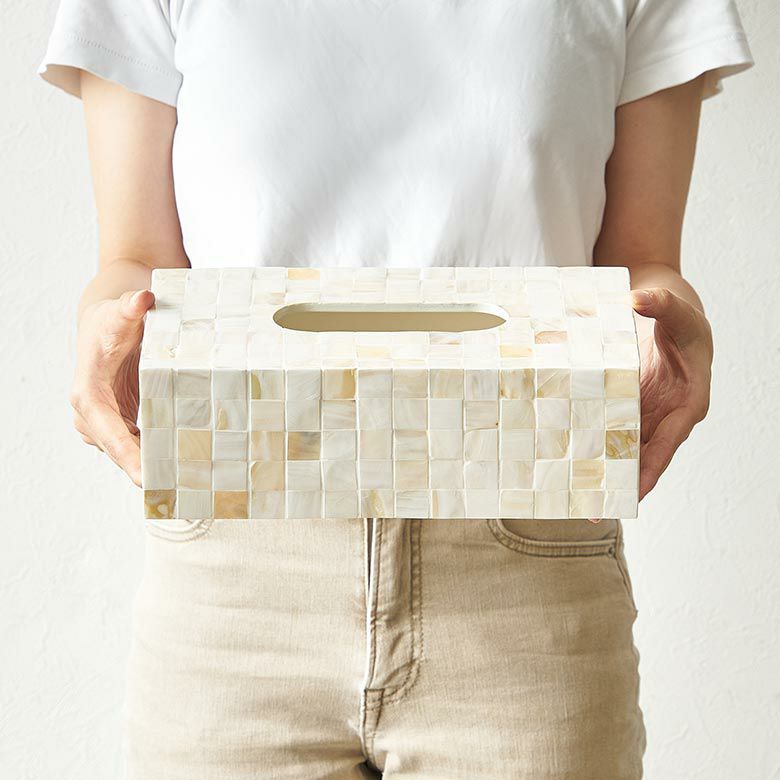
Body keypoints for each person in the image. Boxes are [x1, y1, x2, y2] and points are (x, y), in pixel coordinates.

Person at [37, 1, 753, 777]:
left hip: (526, 552)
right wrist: (103, 331)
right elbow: (135, 257)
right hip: (235, 561)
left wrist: (675, 330)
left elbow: (641, 260)